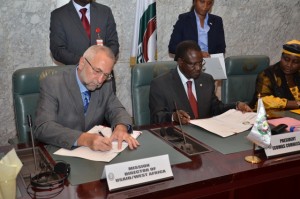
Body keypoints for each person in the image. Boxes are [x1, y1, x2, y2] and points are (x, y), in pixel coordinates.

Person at [34, 45, 139, 151]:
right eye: (97, 71)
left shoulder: (105, 84)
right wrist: (84, 139)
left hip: (94, 155)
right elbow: (43, 127)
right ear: (82, 63)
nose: (100, 80)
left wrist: (121, 127)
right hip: (60, 151)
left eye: (106, 75)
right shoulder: (54, 84)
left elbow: (117, 110)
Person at [149, 40, 251, 124]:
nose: (198, 68)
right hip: (179, 137)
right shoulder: (160, 84)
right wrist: (173, 116)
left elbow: (215, 108)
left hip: (206, 135)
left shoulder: (206, 79)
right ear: (180, 62)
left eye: (200, 63)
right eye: (193, 64)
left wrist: (236, 105)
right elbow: (156, 117)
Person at [50, 0, 119, 92]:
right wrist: (86, 64)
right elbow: (57, 50)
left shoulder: (105, 12)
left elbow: (114, 44)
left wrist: (99, 65)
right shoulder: (59, 15)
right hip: (75, 80)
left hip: (103, 81)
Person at [250, 40, 300, 110]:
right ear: (281, 57)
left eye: (295, 62)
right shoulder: (267, 75)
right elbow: (262, 100)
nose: (289, 65)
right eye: (286, 59)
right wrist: (295, 104)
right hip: (270, 116)